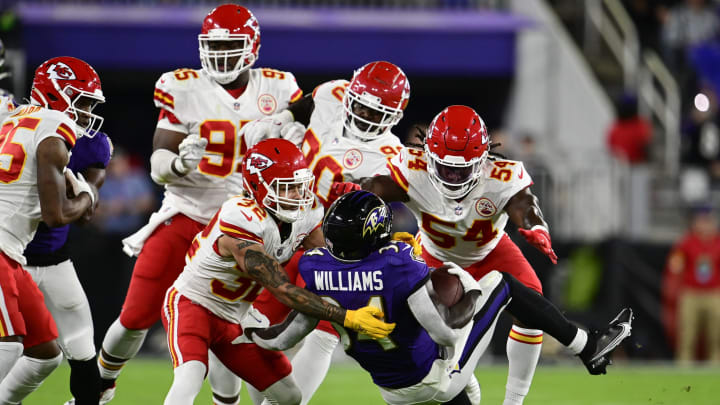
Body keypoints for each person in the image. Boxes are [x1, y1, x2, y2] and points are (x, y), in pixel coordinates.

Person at [97, 5, 313, 404]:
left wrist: (287, 122)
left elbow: (305, 126)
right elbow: (158, 162)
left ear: (252, 47)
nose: (220, 55)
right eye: (213, 46)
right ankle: (98, 387)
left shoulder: (279, 86)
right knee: (134, 318)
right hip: (188, 214)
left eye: (230, 46)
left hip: (249, 225)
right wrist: (179, 163)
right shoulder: (183, 87)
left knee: (233, 323)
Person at [241, 190, 634, 405]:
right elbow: (445, 333)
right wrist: (470, 293)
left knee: (470, 391)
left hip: (389, 387)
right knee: (503, 283)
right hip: (430, 378)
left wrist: (249, 332)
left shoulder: (315, 269)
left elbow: (283, 337)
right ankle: (586, 345)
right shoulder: (396, 265)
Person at [335, 105, 557, 405]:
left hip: (491, 250)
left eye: (462, 168)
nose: (453, 176)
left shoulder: (503, 174)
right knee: (426, 330)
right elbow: (375, 188)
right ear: (428, 155)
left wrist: (536, 227)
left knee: (533, 308)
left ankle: (514, 401)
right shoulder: (411, 168)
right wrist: (353, 191)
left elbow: (525, 204)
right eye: (445, 167)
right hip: (433, 254)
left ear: (482, 159)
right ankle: (454, 380)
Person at [161, 139, 395, 405]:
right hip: (194, 304)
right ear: (258, 188)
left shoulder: (304, 215)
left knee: (290, 396)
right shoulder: (240, 217)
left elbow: (337, 258)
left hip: (235, 319)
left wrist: (370, 230)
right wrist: (347, 317)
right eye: (287, 188)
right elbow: (283, 289)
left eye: (300, 185)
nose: (298, 194)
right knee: (189, 376)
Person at [243, 60, 410, 405]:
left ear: (395, 116)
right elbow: (305, 105)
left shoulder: (393, 158)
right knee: (254, 327)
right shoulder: (332, 93)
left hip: (340, 250)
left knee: (323, 334)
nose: (365, 115)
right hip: (287, 229)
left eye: (378, 112)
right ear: (350, 94)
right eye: (361, 104)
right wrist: (284, 120)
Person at [0, 56, 102, 400]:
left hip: (13, 251)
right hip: (2, 246)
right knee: (8, 347)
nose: (86, 111)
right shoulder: (55, 126)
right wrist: (87, 196)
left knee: (45, 352)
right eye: (83, 100)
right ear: (57, 94)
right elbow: (56, 215)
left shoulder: (13, 117)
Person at [662, 205, 720, 364]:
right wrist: (674, 289)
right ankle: (684, 364)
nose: (704, 224)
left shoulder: (718, 243)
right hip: (691, 293)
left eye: (707, 221)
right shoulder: (686, 243)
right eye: (700, 221)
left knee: (716, 333)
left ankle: (716, 365)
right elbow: (675, 267)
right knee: (687, 333)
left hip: (714, 293)